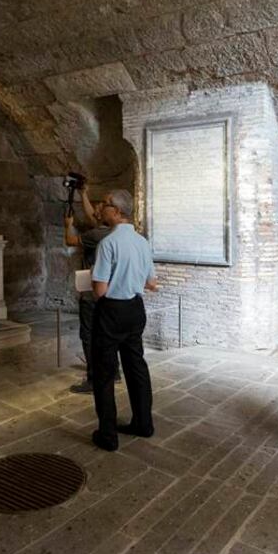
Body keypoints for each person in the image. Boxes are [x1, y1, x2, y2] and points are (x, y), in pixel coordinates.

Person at [89, 189, 158, 451]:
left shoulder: (108, 243)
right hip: (135, 309)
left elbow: (100, 290)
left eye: (105, 204)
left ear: (116, 212)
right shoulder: (142, 242)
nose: (101, 208)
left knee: (104, 373)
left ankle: (107, 435)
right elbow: (151, 282)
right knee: (136, 366)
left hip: (112, 311)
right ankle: (144, 423)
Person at [63, 182, 116, 394]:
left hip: (92, 289)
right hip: (112, 291)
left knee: (89, 335)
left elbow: (70, 240)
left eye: (102, 205)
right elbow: (93, 217)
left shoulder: (95, 236)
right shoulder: (114, 231)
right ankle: (115, 371)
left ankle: (93, 379)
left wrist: (68, 224)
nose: (97, 209)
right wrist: (83, 193)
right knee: (108, 334)